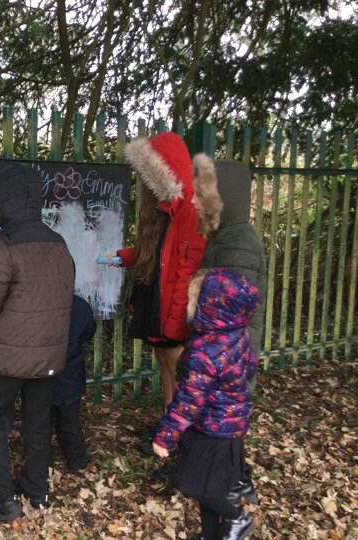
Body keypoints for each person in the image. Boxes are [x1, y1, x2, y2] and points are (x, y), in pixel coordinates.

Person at [0, 163, 75, 522]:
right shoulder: (57, 241)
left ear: (2, 203)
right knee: (37, 421)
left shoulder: (3, 242)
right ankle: (37, 490)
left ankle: (1, 499)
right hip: (49, 355)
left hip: (11, 355)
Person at [152, 268, 260, 540]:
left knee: (190, 483)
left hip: (212, 430)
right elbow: (249, 368)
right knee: (209, 487)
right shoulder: (238, 334)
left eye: (193, 301)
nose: (187, 306)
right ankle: (210, 534)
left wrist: (165, 437)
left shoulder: (204, 350)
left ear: (212, 307)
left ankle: (237, 518)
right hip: (230, 427)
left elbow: (188, 401)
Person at [114, 132, 207, 412]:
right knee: (162, 357)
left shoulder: (191, 209)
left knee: (175, 360)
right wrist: (121, 257)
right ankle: (170, 415)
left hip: (174, 298)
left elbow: (187, 269)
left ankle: (183, 422)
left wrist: (175, 320)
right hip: (158, 291)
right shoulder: (162, 207)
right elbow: (155, 250)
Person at [193, 156, 267, 505]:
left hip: (228, 358)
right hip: (221, 354)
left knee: (224, 423)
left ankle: (232, 492)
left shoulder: (237, 245)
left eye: (203, 195)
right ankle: (231, 482)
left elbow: (229, 313)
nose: (196, 202)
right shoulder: (223, 238)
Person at [51, 294, 97, 472]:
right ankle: (77, 458)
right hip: (70, 374)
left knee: (40, 423)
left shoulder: (39, 303)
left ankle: (43, 460)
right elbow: (89, 331)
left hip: (42, 375)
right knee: (69, 422)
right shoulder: (80, 305)